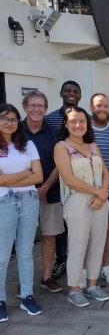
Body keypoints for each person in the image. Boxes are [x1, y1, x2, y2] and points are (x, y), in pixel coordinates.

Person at [54, 106, 109, 307]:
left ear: (87, 124)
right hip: (77, 200)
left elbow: (105, 172)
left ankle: (92, 285)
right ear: (66, 123)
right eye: (73, 121)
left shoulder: (92, 145)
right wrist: (98, 192)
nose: (78, 125)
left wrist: (103, 194)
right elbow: (69, 179)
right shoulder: (62, 147)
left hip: (100, 201)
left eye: (82, 121)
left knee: (98, 243)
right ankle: (74, 288)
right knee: (78, 244)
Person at [0, 103, 43, 322]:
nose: (9, 123)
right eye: (4, 118)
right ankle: (0, 300)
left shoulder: (27, 144)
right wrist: (25, 172)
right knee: (3, 254)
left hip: (29, 201)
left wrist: (10, 180)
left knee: (26, 252)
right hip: (4, 203)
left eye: (13, 119)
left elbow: (38, 176)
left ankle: (27, 296)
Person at [21, 90, 64, 294]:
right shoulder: (15, 131)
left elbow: (60, 163)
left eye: (40, 106)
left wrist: (46, 186)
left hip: (51, 191)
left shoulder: (54, 132)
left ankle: (46, 277)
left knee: (49, 235)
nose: (37, 109)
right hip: (21, 193)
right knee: (25, 238)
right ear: (25, 107)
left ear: (46, 109)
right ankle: (24, 280)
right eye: (32, 105)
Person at [45, 80, 82, 280]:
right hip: (56, 179)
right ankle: (62, 259)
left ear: (80, 96)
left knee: (78, 223)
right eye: (67, 90)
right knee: (59, 225)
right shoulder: (49, 120)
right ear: (60, 93)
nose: (71, 94)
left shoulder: (85, 118)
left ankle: (80, 262)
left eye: (75, 91)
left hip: (80, 180)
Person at [90, 93, 109, 284]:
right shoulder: (84, 130)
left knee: (107, 230)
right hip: (85, 189)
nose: (102, 109)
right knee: (87, 230)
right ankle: (86, 269)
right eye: (99, 106)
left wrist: (105, 182)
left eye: (106, 106)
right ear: (91, 107)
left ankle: (106, 266)